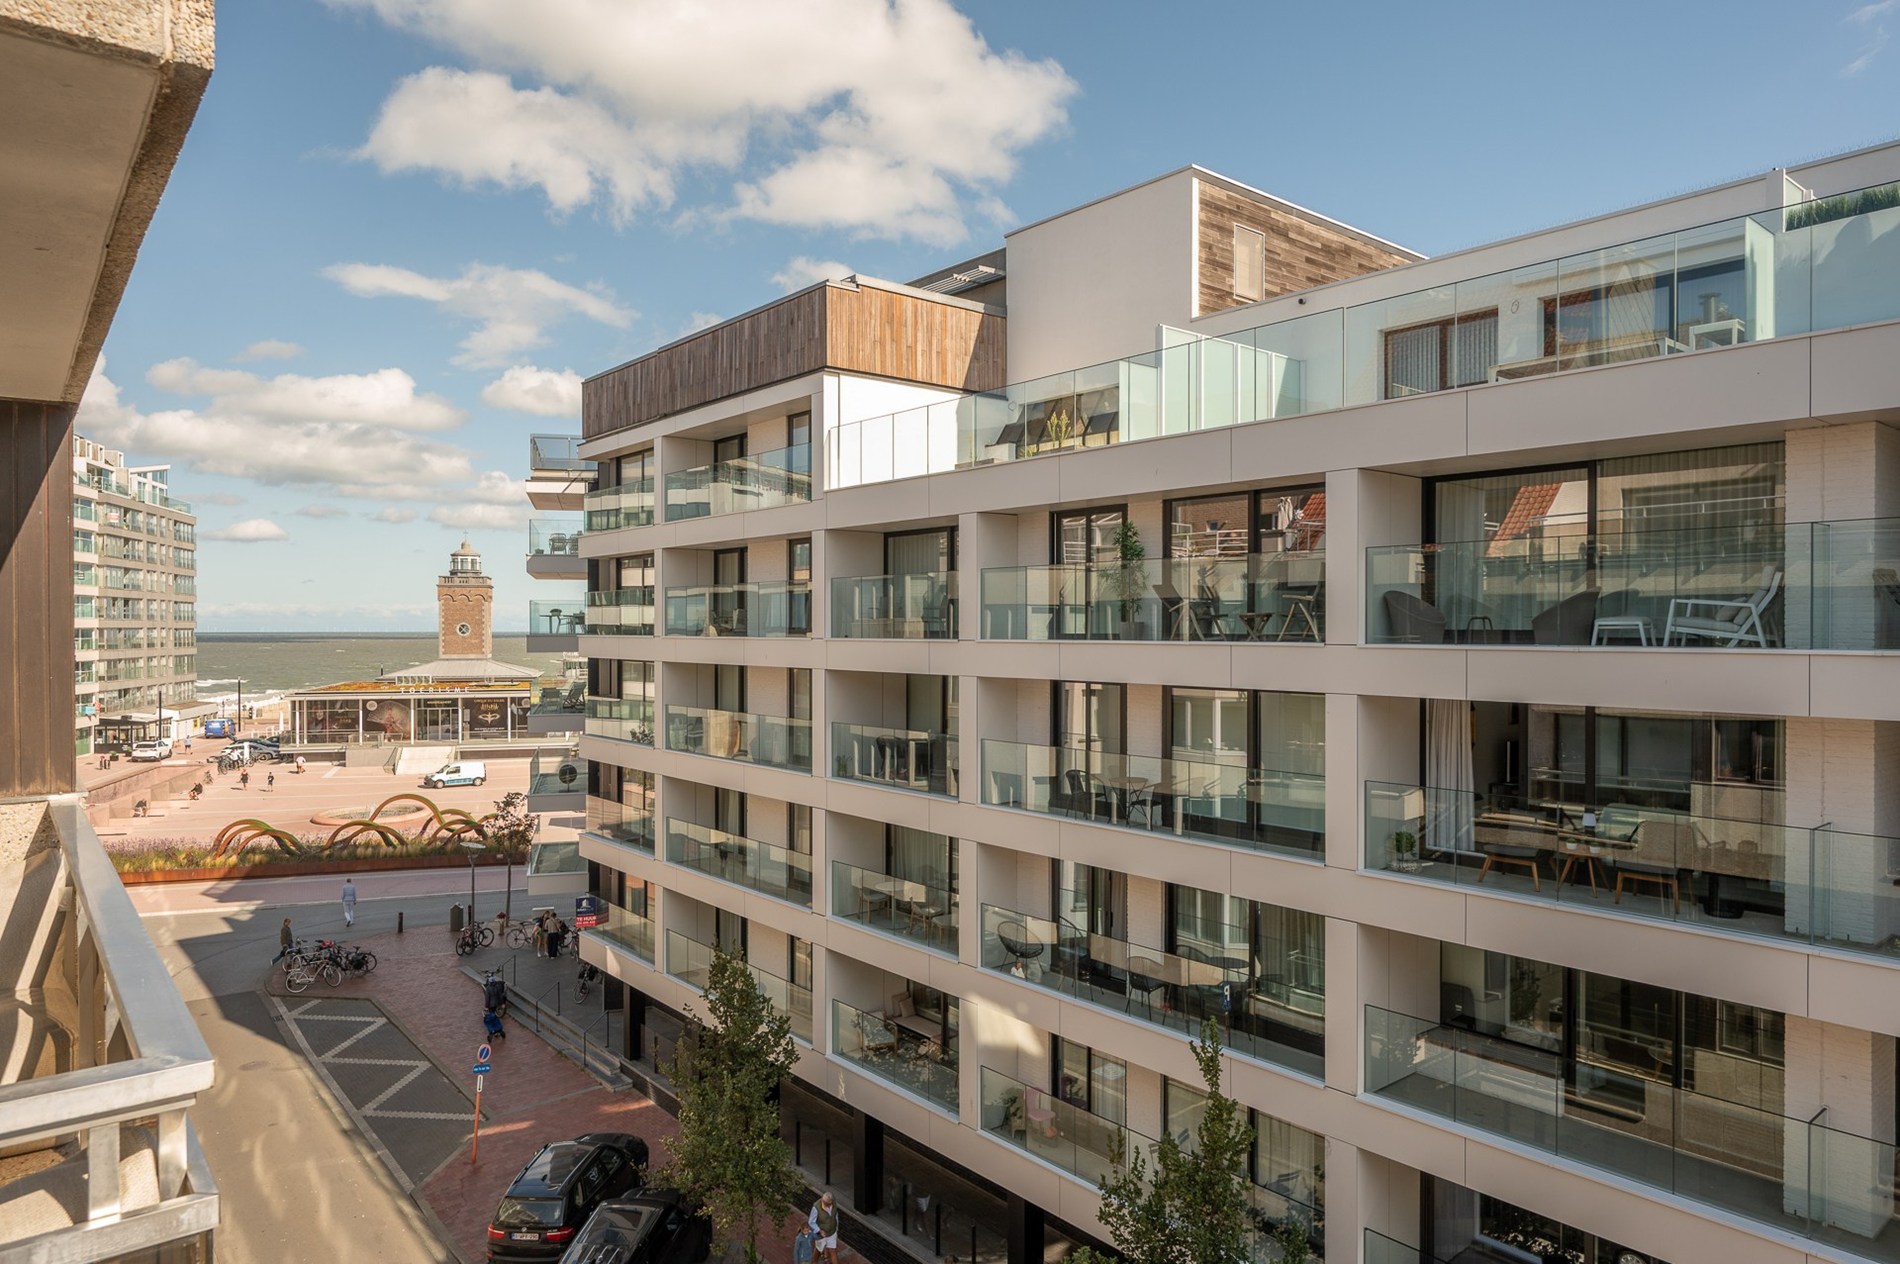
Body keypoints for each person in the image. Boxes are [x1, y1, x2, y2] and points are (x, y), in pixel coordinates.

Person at [808, 1192, 840, 1264]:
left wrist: (836, 1227)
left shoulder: (834, 1204)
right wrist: (819, 1231)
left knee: (833, 1251)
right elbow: (811, 1222)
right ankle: (814, 1262)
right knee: (819, 1250)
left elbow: (836, 1216)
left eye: (828, 1203)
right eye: (825, 1203)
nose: (826, 1204)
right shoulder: (816, 1207)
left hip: (832, 1232)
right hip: (820, 1235)